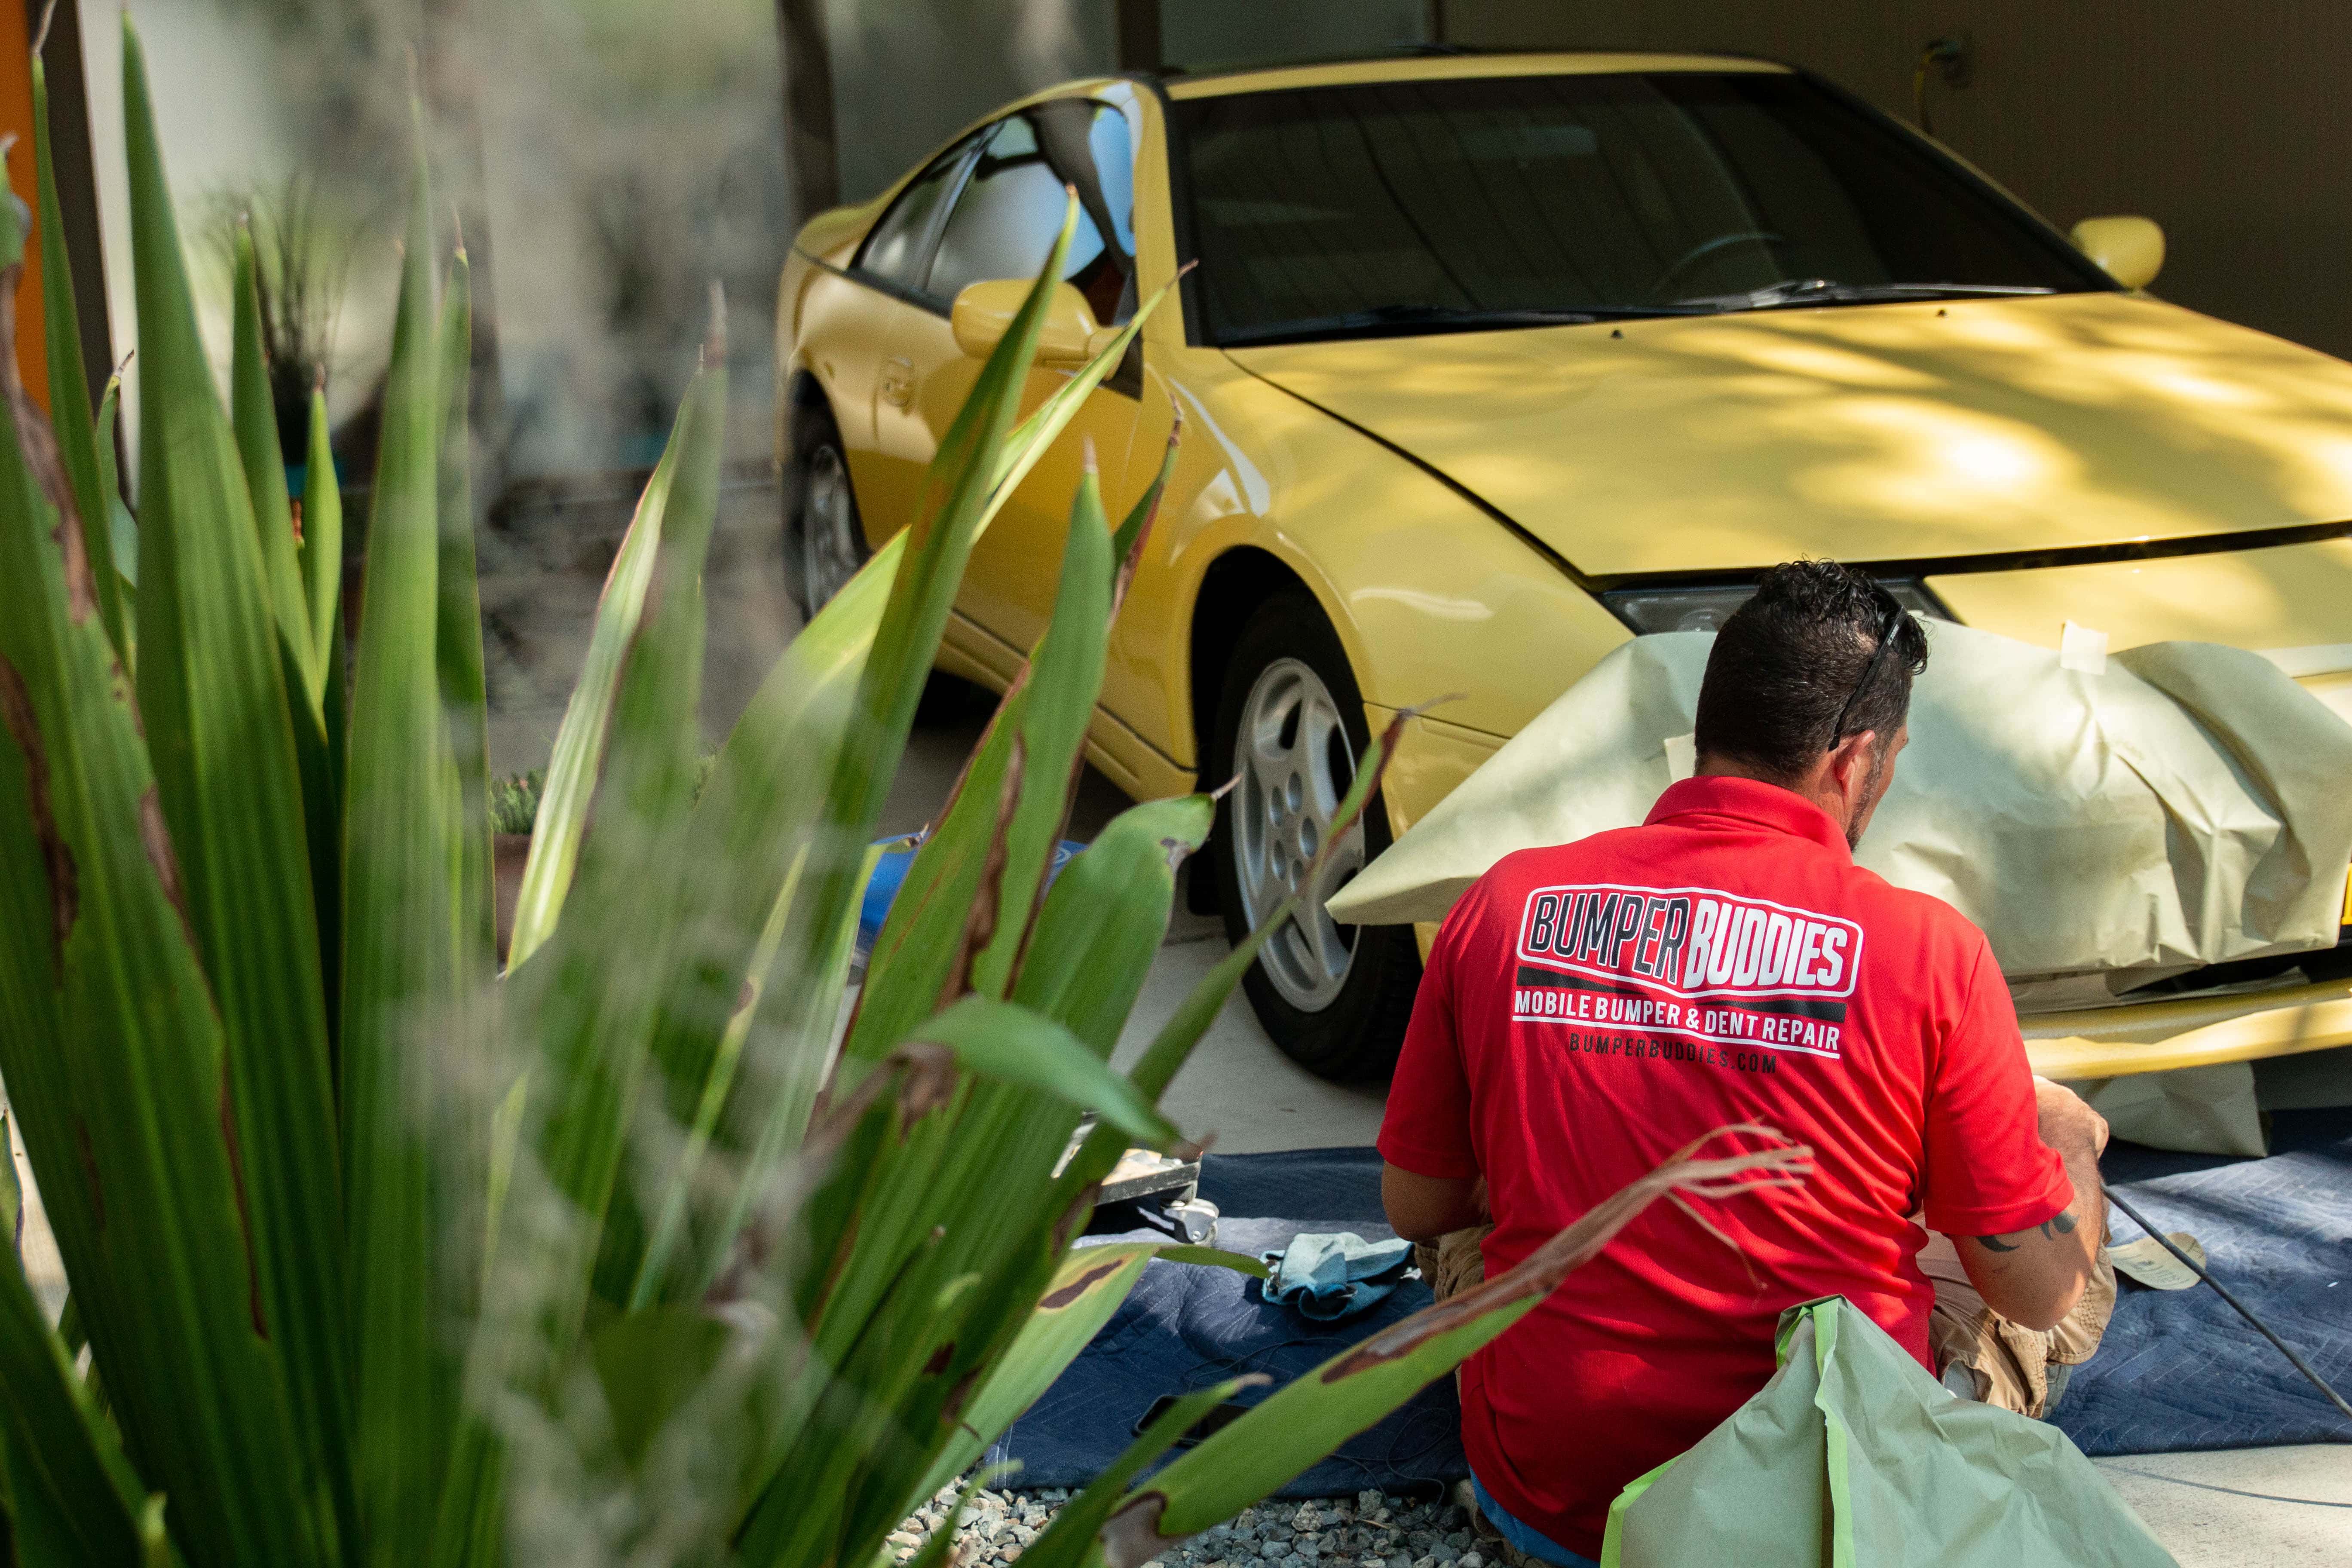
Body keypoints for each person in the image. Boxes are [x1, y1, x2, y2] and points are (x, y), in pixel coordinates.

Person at [1377, 561, 2114, 1568]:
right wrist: (2064, 1147)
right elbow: (2035, 1294)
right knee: (2055, 1232)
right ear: (1856, 760)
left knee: (1479, 1232)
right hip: (1819, 1504)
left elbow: (1418, 1210)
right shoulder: (1931, 951)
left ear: (1711, 729)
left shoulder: (1506, 902)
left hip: (1553, 1501)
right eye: (1890, 764)